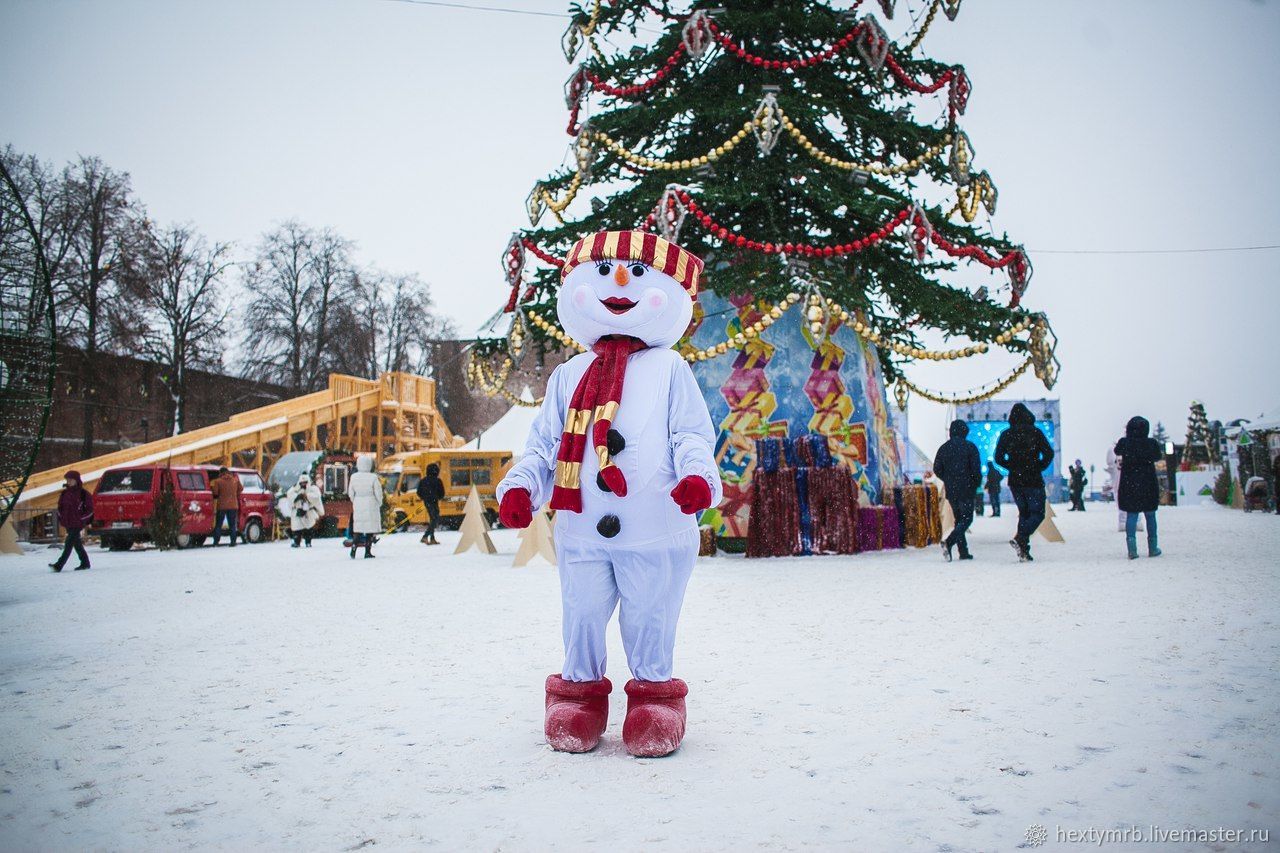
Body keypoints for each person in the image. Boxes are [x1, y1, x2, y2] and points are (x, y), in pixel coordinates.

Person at [497, 230, 720, 758]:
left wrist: (697, 478)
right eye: (601, 274)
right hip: (581, 530)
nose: (619, 285)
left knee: (650, 614)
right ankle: (578, 697)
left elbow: (691, 434)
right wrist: (522, 486)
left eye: (639, 274)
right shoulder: (569, 374)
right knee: (582, 612)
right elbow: (545, 445)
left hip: (654, 527)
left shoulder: (670, 369)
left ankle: (654, 701)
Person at [994, 403, 1054, 562]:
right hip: (1033, 478)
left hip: (1015, 480)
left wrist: (1012, 466)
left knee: (1025, 513)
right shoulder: (1035, 432)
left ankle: (1024, 550)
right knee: (1038, 513)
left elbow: (998, 458)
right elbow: (1049, 453)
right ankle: (1021, 538)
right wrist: (1038, 466)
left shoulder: (1006, 434)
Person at [932, 419, 981, 561]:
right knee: (967, 519)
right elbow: (976, 470)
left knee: (959, 519)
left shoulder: (944, 448)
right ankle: (949, 542)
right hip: (967, 488)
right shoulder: (970, 447)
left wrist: (948, 479)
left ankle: (963, 551)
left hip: (952, 489)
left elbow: (937, 469)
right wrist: (974, 483)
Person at [1114, 416, 1162, 559]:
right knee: (1150, 515)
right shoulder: (1151, 444)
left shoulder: (1124, 443)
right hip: (1148, 482)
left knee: (1132, 514)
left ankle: (1132, 549)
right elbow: (1157, 456)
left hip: (1130, 483)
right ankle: (1153, 548)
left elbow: (1117, 450)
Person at [49, 470, 94, 572]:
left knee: (69, 542)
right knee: (76, 543)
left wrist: (81, 518)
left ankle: (59, 565)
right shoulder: (65, 493)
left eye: (71, 480)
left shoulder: (84, 494)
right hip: (68, 522)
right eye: (67, 480)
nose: (68, 482)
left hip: (78, 523)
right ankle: (85, 563)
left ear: (76, 480)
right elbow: (60, 507)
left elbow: (90, 509)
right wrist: (61, 517)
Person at [347, 455, 384, 559]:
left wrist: (355, 500)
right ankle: (367, 552)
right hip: (371, 503)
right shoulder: (373, 477)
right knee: (369, 530)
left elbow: (350, 493)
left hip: (358, 503)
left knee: (358, 529)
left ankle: (353, 549)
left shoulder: (353, 477)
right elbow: (378, 492)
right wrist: (379, 502)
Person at [281, 474, 323, 548]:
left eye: (305, 482)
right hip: (297, 511)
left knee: (309, 528)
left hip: (308, 511)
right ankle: (297, 542)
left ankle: (308, 542)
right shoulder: (295, 489)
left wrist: (307, 496)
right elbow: (290, 496)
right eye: (302, 483)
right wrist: (297, 497)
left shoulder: (313, 488)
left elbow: (316, 497)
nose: (303, 484)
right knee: (297, 529)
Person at [210, 467, 244, 546]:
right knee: (232, 525)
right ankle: (233, 542)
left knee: (219, 525)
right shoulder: (235, 480)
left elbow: (215, 493)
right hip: (233, 506)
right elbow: (241, 489)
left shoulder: (218, 481)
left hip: (222, 506)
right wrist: (234, 494)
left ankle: (216, 542)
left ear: (221, 473)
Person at [416, 462, 445, 545]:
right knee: (435, 519)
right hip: (434, 502)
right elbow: (442, 493)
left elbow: (418, 492)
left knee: (432, 519)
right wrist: (437, 497)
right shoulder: (438, 481)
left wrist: (424, 497)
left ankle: (432, 538)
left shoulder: (423, 481)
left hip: (427, 502)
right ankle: (425, 537)